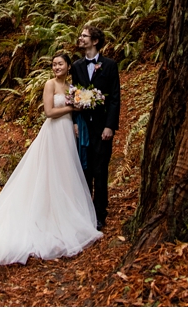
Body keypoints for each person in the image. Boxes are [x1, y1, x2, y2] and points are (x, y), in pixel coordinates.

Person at [0, 54, 102, 266]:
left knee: (65, 173)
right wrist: (72, 108)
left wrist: (75, 117)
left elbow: (74, 112)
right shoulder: (50, 84)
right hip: (53, 131)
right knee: (48, 172)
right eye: (54, 64)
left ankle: (64, 214)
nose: (56, 67)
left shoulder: (73, 86)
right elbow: (49, 112)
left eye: (60, 64)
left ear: (68, 66)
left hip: (66, 133)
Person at [71, 24, 121, 229]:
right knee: (85, 170)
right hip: (83, 128)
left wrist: (110, 126)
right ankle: (84, 213)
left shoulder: (109, 65)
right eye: (81, 36)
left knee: (100, 171)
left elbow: (115, 99)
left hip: (102, 128)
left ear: (95, 41)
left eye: (84, 36)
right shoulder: (76, 66)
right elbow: (74, 95)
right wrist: (74, 121)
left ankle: (100, 214)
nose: (81, 39)